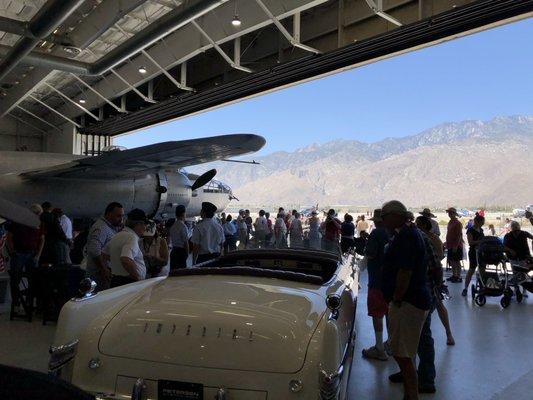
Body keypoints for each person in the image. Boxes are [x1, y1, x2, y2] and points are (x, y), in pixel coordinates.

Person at [380, 200, 431, 400]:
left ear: (395, 216)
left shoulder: (407, 237)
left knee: (403, 354)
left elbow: (404, 271)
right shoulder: (407, 234)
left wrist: (397, 297)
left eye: (385, 217)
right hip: (412, 300)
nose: (383, 221)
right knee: (404, 351)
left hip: (408, 303)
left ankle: (412, 396)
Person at [415, 216, 455, 346]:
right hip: (433, 276)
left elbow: (437, 260)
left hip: (431, 277)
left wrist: (437, 281)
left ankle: (448, 333)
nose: (416, 225)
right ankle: (449, 334)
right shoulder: (431, 238)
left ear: (424, 226)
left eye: (418, 224)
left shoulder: (429, 239)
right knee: (438, 305)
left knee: (437, 305)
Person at [5, 204, 45, 316]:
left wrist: (38, 255)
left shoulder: (39, 223)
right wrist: (12, 252)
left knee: (32, 280)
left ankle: (29, 303)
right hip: (19, 253)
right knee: (15, 279)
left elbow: (42, 239)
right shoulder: (18, 222)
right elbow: (9, 237)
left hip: (31, 254)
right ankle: (16, 304)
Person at [362, 209, 390, 361]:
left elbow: (371, 253)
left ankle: (379, 348)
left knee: (377, 314)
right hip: (390, 281)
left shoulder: (377, 233)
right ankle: (390, 344)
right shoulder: (392, 233)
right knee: (388, 313)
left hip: (377, 280)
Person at [103, 208, 147, 287]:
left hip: (116, 280)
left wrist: (112, 267)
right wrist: (138, 278)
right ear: (138, 224)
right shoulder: (131, 237)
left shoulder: (117, 236)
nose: (145, 228)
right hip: (129, 283)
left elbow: (104, 255)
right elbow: (126, 259)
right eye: (144, 224)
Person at [85, 202, 124, 291]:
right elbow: (94, 250)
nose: (121, 219)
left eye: (122, 216)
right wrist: (104, 269)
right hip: (99, 275)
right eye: (118, 216)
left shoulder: (109, 227)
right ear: (109, 214)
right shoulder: (101, 228)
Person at [463, 214, 485, 297]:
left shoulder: (481, 230)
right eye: (482, 222)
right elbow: (470, 242)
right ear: (477, 222)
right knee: (471, 270)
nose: (483, 224)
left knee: (482, 269)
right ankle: (465, 288)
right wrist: (480, 241)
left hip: (481, 252)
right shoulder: (470, 230)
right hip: (473, 252)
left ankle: (482, 286)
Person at [445, 207, 463, 283]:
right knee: (452, 261)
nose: (449, 214)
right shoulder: (450, 222)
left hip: (456, 246)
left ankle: (458, 276)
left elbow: (459, 235)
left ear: (454, 214)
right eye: (449, 213)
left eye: (451, 213)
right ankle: (454, 275)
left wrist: (456, 245)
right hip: (450, 245)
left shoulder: (458, 223)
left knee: (456, 261)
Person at [168, 205, 189, 270]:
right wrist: (187, 254)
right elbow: (186, 242)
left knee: (174, 272)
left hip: (174, 252)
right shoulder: (183, 226)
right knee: (181, 274)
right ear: (183, 214)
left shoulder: (173, 226)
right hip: (181, 252)